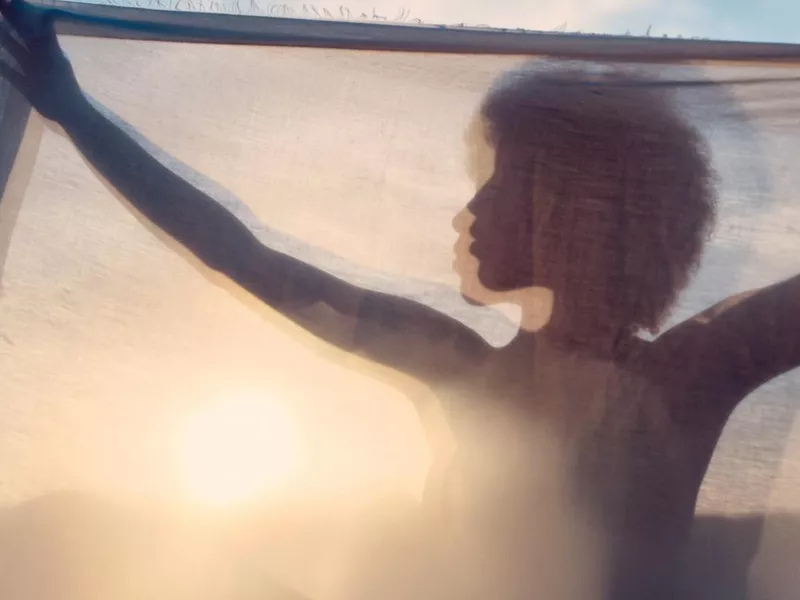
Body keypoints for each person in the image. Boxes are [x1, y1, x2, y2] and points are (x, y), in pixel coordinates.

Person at [2, 1, 799, 597]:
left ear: (576, 207)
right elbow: (241, 255)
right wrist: (74, 111)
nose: (470, 210)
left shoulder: (685, 369)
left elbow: (243, 256)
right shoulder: (476, 366)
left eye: (502, 180)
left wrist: (76, 111)